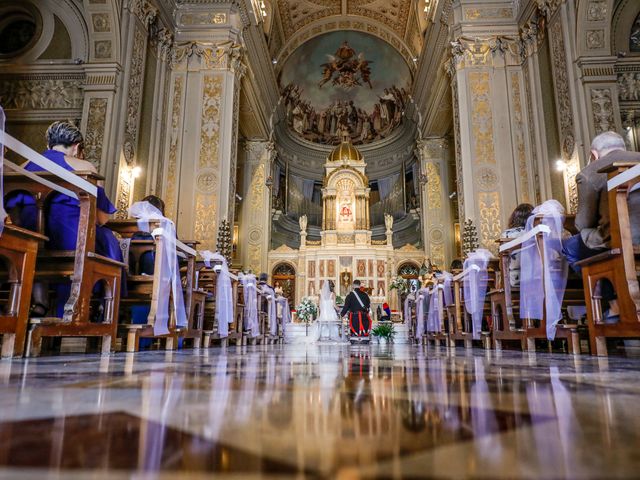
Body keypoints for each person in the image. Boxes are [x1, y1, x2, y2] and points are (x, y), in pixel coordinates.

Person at [5, 121, 123, 318]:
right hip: (73, 240)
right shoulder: (83, 167)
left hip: (30, 243)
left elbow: (12, 209)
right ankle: (101, 305)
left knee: (37, 242)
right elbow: (101, 217)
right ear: (76, 147)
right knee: (108, 240)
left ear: (49, 143)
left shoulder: (23, 166)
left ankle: (40, 302)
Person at [562, 131, 640, 320]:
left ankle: (614, 303)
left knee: (570, 247)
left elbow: (582, 223)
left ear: (594, 154)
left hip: (623, 239)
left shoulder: (591, 172)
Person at [501, 203, 534, 287]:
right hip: (536, 278)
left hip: (515, 280)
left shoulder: (507, 234)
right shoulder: (536, 233)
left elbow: (501, 264)